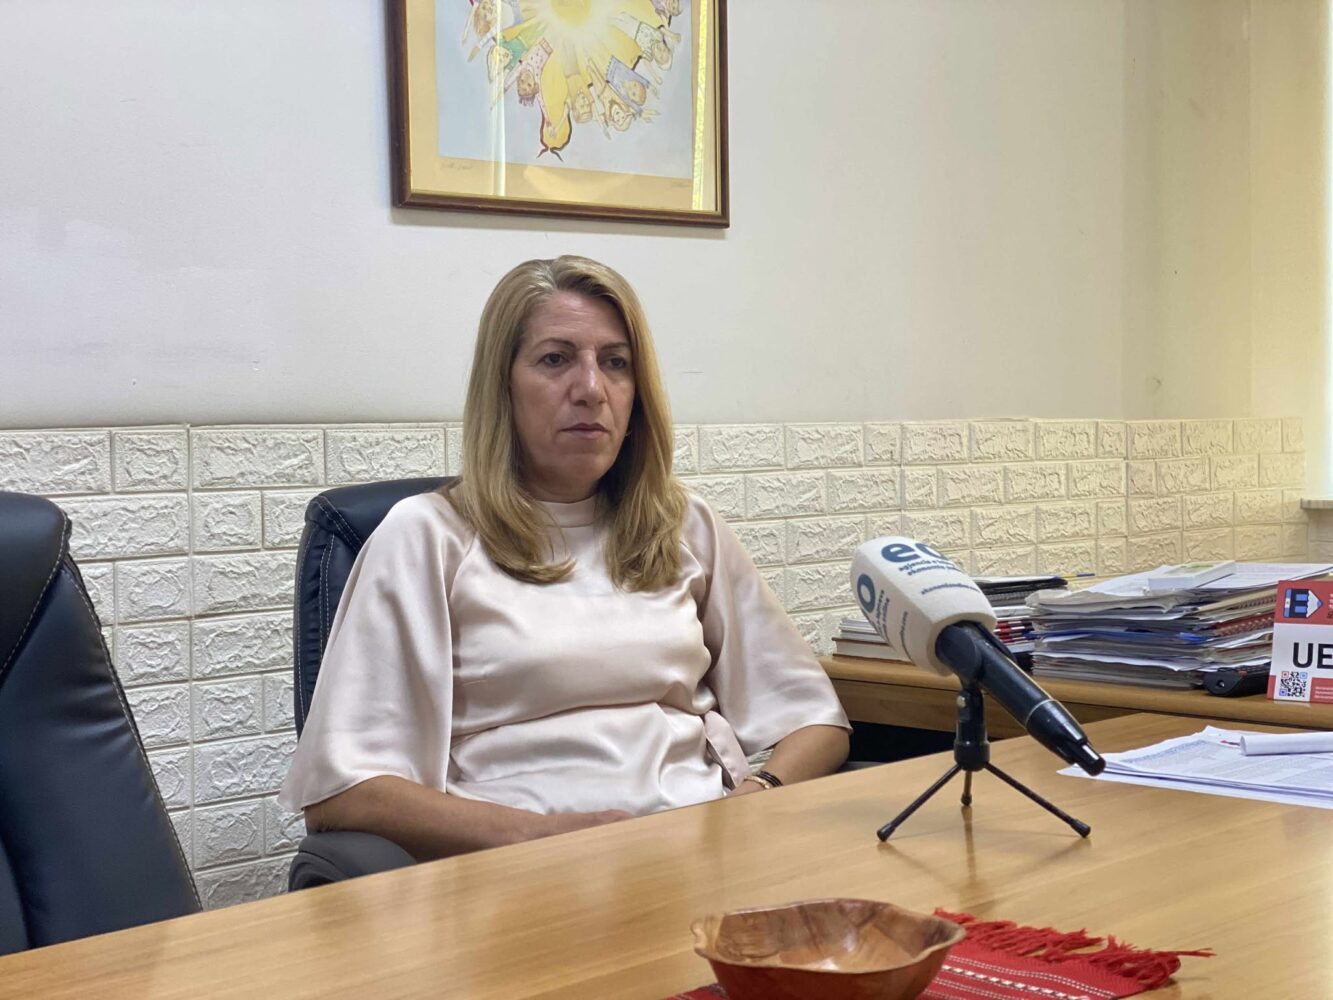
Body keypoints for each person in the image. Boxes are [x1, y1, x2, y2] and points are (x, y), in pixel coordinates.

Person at [279, 256, 850, 861]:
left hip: (697, 856)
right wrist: (538, 835)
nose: (591, 389)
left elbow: (815, 721)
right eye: (555, 359)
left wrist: (759, 795)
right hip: (523, 870)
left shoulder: (682, 524)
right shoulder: (426, 536)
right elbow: (342, 795)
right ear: (502, 388)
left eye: (616, 363)